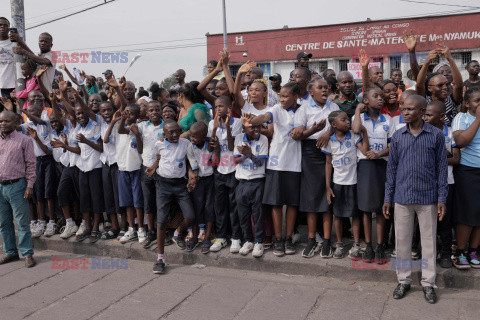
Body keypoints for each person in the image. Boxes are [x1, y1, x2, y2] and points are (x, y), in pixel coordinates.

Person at [383, 94, 448, 304]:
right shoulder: (398, 136)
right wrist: (388, 197)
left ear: (422, 112)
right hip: (402, 197)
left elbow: (441, 170)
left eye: (411, 109)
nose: (405, 112)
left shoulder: (436, 136)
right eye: (404, 108)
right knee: (401, 241)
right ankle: (403, 280)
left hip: (428, 197)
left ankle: (428, 283)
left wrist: (441, 198)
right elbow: (391, 169)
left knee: (428, 243)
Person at [246, 82, 301, 257]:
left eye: (285, 96)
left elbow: (305, 128)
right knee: (276, 203)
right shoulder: (277, 109)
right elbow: (264, 117)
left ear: (295, 97)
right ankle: (278, 239)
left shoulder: (303, 110)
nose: (282, 99)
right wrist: (253, 120)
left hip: (295, 163)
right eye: (280, 96)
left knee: (292, 203)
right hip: (276, 163)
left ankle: (288, 238)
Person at [292, 78, 340, 258]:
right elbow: (298, 135)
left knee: (327, 197)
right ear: (310, 91)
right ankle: (312, 239)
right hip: (311, 154)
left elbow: (342, 124)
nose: (324, 90)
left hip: (330, 153)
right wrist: (314, 130)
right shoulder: (304, 109)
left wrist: (328, 131)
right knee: (311, 199)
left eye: (326, 88)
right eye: (320, 88)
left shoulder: (333, 107)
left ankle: (327, 240)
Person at [352, 87, 395, 264]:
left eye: (381, 96)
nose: (380, 99)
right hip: (365, 165)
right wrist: (356, 110)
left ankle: (379, 246)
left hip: (381, 165)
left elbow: (393, 144)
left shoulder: (389, 120)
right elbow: (356, 132)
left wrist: (378, 154)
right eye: (375, 96)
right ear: (366, 101)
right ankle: (368, 245)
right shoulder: (360, 118)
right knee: (366, 207)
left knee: (380, 208)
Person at [149, 120, 198, 274]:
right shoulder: (159, 144)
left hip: (180, 185)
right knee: (161, 221)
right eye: (171, 132)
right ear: (165, 134)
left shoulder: (186, 144)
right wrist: (153, 167)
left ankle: (177, 234)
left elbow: (193, 164)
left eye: (177, 131)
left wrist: (192, 177)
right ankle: (160, 258)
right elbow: (157, 159)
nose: (175, 134)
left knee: (190, 216)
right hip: (163, 184)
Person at [323, 111, 369, 259]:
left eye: (347, 119)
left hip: (353, 182)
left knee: (354, 214)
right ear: (334, 125)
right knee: (338, 214)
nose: (348, 122)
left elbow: (364, 150)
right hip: (337, 184)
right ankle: (340, 243)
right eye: (343, 120)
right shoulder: (330, 141)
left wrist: (365, 132)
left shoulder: (354, 136)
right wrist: (328, 186)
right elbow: (328, 163)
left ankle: (356, 243)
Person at [424, 100, 460, 269]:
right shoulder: (422, 132)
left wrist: (438, 159)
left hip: (446, 183)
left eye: (429, 115)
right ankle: (429, 253)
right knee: (427, 221)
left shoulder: (449, 132)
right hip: (426, 184)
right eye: (425, 114)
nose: (425, 117)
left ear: (441, 117)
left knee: (444, 220)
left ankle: (446, 253)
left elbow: (456, 158)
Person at [0, 110, 37, 268]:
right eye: (1, 121)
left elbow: (31, 164)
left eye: (7, 121)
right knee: (4, 222)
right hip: (1, 187)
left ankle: (27, 253)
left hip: (17, 186)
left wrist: (29, 185)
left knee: (22, 222)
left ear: (16, 123)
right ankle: (10, 252)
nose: (3, 124)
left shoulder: (25, 140)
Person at [208, 96, 243, 253]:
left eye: (221, 106)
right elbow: (211, 149)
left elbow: (230, 146)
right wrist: (215, 129)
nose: (218, 109)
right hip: (220, 171)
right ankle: (221, 237)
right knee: (220, 206)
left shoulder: (237, 123)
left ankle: (236, 237)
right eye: (216, 107)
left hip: (234, 170)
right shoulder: (212, 124)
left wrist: (227, 127)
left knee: (234, 206)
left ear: (229, 108)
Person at [451, 87, 480, 270]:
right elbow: (460, 142)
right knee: (467, 213)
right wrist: (478, 119)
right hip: (468, 171)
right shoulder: (462, 118)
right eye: (478, 101)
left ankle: (474, 250)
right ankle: (460, 251)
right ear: (467, 103)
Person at [21, 94, 56, 238]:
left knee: (49, 192)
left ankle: (51, 221)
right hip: (35, 162)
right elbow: (17, 126)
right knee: (38, 192)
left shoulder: (45, 122)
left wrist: (24, 111)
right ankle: (41, 221)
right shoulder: (27, 125)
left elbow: (47, 150)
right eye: (28, 114)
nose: (29, 116)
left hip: (47, 160)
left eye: (32, 113)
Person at [233, 116, 269, 258]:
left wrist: (249, 154)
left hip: (257, 181)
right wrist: (245, 156)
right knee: (243, 214)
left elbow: (260, 162)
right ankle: (248, 240)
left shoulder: (263, 139)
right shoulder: (239, 138)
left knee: (258, 214)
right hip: (242, 182)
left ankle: (259, 241)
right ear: (244, 128)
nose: (256, 129)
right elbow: (236, 160)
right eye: (252, 127)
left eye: (258, 126)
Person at [74, 100, 105, 242]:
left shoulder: (95, 126)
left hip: (95, 167)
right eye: (78, 113)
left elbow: (101, 148)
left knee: (96, 198)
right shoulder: (78, 129)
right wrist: (62, 145)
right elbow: (79, 150)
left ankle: (96, 227)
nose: (80, 115)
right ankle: (87, 226)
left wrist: (87, 141)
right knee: (84, 198)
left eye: (83, 112)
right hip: (82, 167)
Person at [115, 105, 146, 245]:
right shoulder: (122, 127)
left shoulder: (139, 128)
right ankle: (131, 228)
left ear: (138, 116)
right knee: (127, 201)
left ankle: (140, 228)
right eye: (126, 113)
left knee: (138, 201)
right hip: (122, 168)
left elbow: (140, 149)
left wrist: (137, 134)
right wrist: (122, 118)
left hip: (136, 168)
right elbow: (120, 130)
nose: (129, 116)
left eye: (132, 114)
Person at [137, 100, 164, 248]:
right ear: (146, 113)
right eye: (151, 110)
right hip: (146, 169)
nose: (154, 113)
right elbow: (123, 130)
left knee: (161, 202)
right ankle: (151, 231)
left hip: (161, 170)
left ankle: (161, 231)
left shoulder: (166, 126)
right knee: (148, 202)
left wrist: (156, 165)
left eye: (157, 109)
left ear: (161, 111)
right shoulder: (142, 126)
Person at [417, 45, 463, 126]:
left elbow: (458, 85)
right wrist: (427, 62)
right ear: (429, 88)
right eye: (440, 85)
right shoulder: (425, 100)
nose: (445, 87)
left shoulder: (452, 100)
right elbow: (419, 85)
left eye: (446, 84)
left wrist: (450, 59)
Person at [187, 121, 215, 253]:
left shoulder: (210, 145)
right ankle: (194, 234)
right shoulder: (190, 147)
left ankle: (207, 237)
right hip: (199, 180)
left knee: (209, 207)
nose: (192, 139)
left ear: (204, 137)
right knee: (197, 206)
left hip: (210, 179)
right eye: (191, 136)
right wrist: (193, 179)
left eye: (195, 137)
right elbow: (194, 165)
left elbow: (214, 161)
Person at [0, 18, 15, 99]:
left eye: (5, 25)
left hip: (17, 83)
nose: (2, 27)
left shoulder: (15, 42)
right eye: (0, 25)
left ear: (9, 28)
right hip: (3, 84)